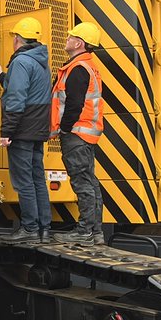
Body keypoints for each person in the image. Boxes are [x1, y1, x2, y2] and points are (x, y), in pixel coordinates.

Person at [0, 17, 52, 243]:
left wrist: (6, 132)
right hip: (37, 129)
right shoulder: (41, 62)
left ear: (17, 39)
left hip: (22, 129)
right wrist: (1, 76)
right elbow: (26, 89)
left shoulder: (21, 62)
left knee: (23, 180)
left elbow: (16, 99)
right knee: (37, 178)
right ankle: (44, 229)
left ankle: (29, 228)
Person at [50, 21, 106, 245]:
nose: (67, 39)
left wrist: (64, 128)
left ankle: (84, 232)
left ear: (79, 43)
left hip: (76, 134)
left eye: (71, 37)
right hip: (84, 134)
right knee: (90, 182)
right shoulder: (86, 67)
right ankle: (96, 232)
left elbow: (74, 104)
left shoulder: (78, 69)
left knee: (82, 183)